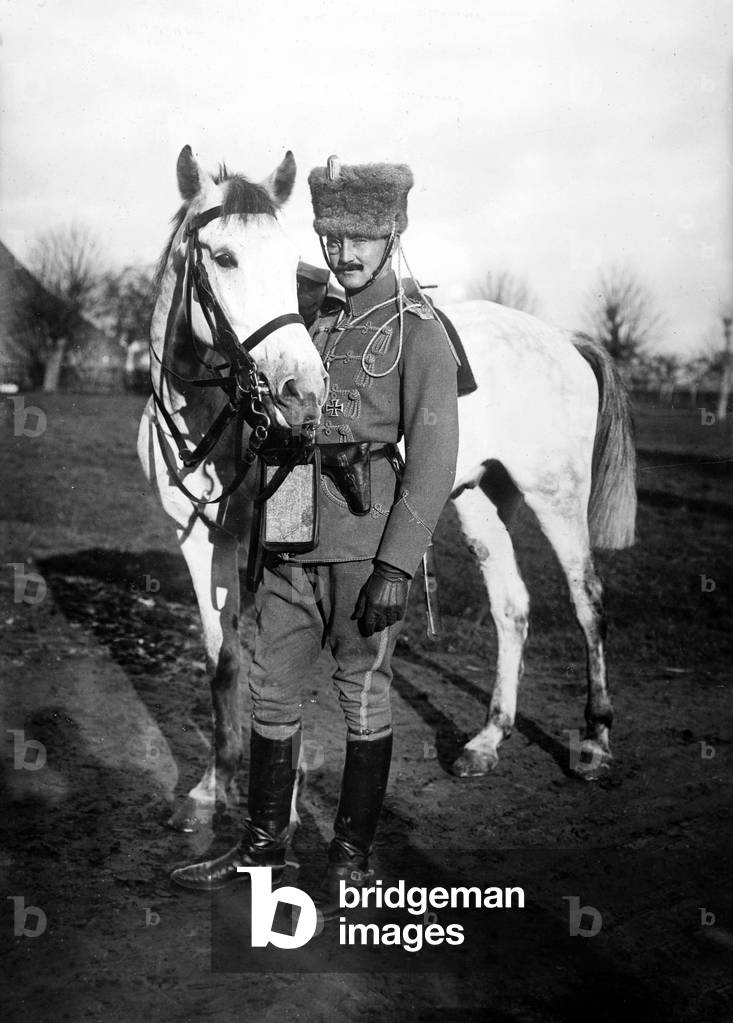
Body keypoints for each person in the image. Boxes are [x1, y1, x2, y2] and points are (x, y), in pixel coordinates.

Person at [170, 156, 459, 918]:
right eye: (332, 237)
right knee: (271, 684)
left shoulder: (419, 332)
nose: (344, 253)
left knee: (363, 693)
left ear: (392, 233)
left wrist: (396, 564)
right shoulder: (311, 321)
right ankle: (266, 843)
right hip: (291, 536)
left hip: (367, 546)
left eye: (360, 238)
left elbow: (432, 461)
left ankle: (351, 855)